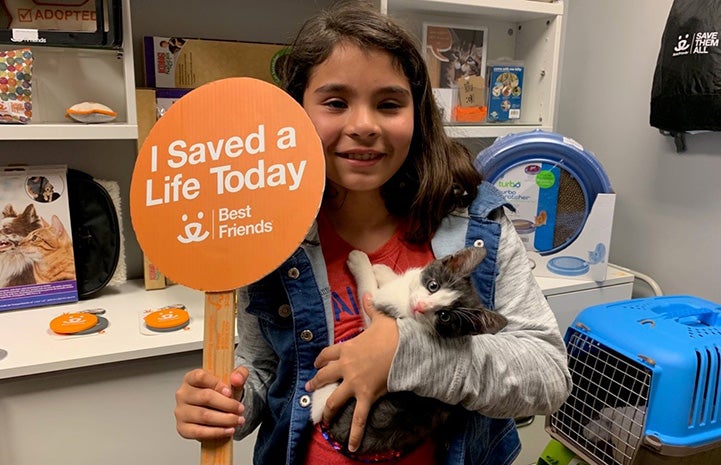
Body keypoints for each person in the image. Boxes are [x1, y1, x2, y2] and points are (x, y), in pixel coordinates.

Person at [173, 1, 572, 464]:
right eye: (336, 102)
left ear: (417, 113)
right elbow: (264, 368)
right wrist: (228, 405)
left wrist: (407, 354)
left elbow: (548, 378)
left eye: (388, 104)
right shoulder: (266, 227)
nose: (363, 126)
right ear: (296, 109)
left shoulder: (474, 228)